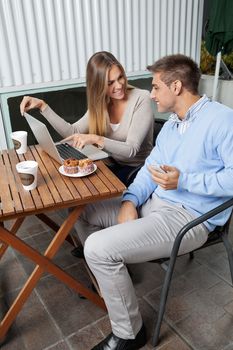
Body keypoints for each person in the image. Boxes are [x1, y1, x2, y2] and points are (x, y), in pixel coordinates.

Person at [73, 54, 233, 350]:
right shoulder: (172, 126)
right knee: (82, 212)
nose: (151, 93)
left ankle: (129, 333)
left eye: (156, 86)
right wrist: (130, 201)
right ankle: (112, 280)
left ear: (176, 86)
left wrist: (184, 181)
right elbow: (149, 170)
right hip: (152, 205)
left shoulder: (223, 119)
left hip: (186, 218)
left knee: (97, 248)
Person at [20, 51, 154, 185]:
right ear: (98, 85)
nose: (119, 85)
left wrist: (95, 138)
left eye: (120, 77)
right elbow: (73, 132)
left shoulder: (142, 98)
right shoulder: (102, 102)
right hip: (109, 163)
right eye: (110, 83)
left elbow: (131, 150)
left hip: (136, 170)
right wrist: (43, 107)